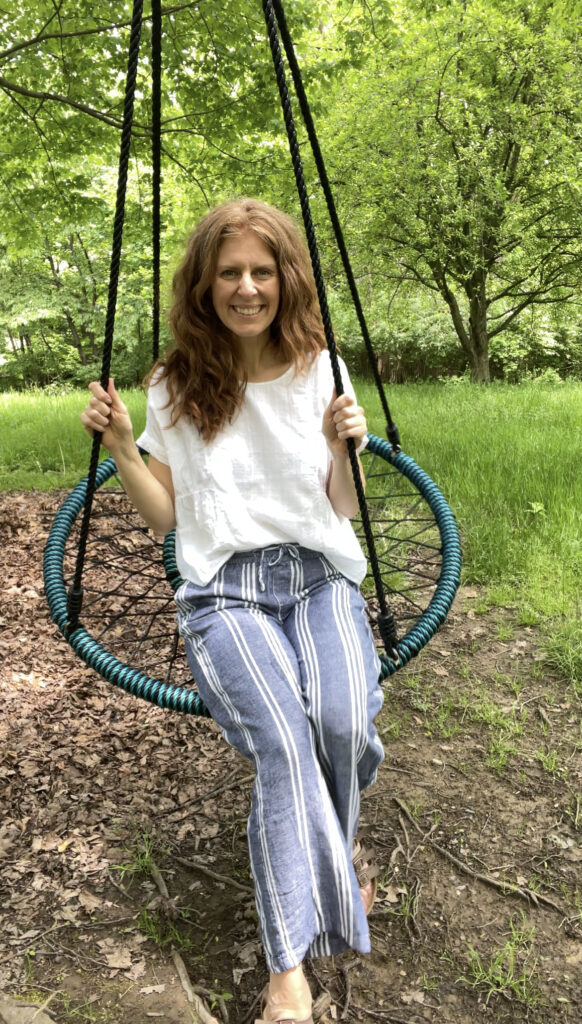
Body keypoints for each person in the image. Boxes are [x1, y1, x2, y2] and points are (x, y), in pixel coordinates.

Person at [81, 198, 384, 1024]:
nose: (247, 288)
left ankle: (333, 843)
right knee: (286, 743)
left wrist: (341, 448)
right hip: (225, 593)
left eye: (262, 271)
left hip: (321, 576)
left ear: (286, 278)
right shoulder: (175, 383)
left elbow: (345, 508)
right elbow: (165, 518)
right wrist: (118, 448)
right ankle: (287, 970)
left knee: (346, 722)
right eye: (229, 273)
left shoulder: (323, 367)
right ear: (204, 284)